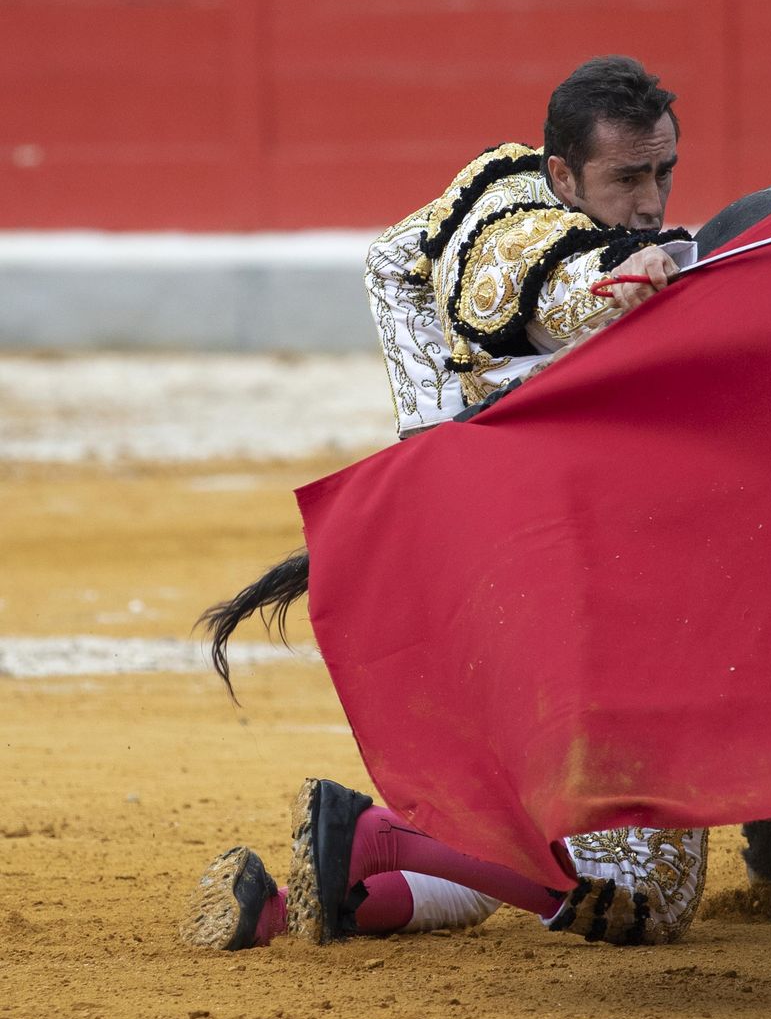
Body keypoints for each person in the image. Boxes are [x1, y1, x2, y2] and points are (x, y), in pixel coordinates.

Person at [183, 56, 707, 952]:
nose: (652, 201)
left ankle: (308, 901)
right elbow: (566, 299)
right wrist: (633, 285)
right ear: (563, 176)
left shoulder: (493, 189)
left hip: (497, 592)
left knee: (488, 871)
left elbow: (390, 260)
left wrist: (431, 441)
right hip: (560, 618)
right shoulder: (536, 257)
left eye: (663, 171)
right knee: (648, 901)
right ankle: (374, 832)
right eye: (628, 178)